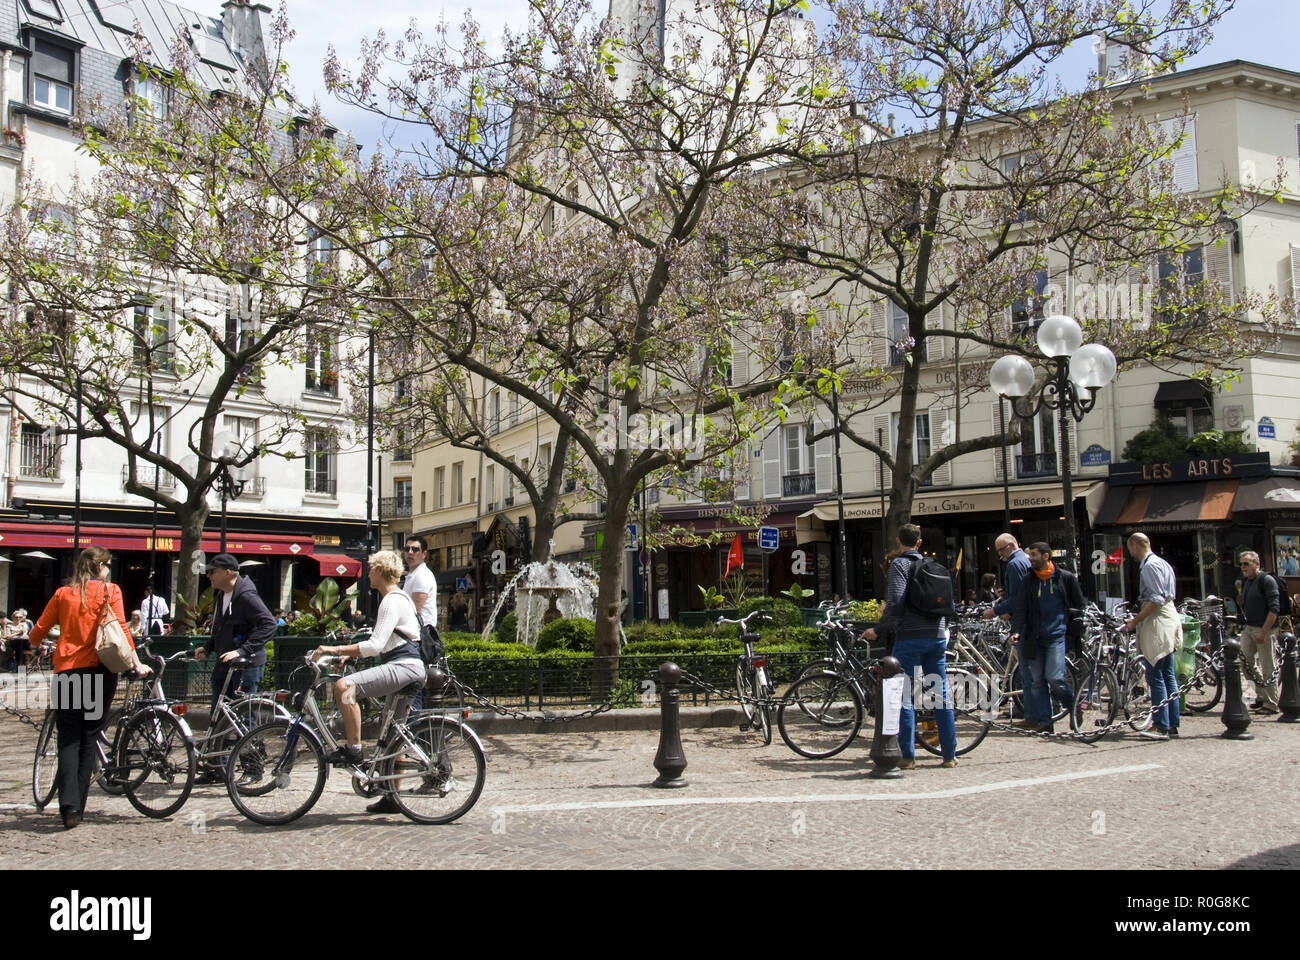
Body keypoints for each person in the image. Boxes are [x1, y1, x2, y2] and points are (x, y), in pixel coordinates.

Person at [26, 546, 152, 829]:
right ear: (101, 567)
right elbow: (121, 629)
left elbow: (38, 630)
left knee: (68, 738)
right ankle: (77, 808)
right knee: (89, 738)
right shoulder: (110, 591)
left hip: (68, 672)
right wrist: (135, 662)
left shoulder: (63, 594)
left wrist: (34, 644)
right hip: (100, 671)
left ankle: (68, 805)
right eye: (108, 565)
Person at [311, 550, 425, 814]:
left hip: (403, 666)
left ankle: (354, 749)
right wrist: (349, 656)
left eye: (371, 569)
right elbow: (384, 642)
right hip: (409, 667)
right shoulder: (401, 598)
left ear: (381, 572)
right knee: (395, 734)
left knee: (344, 687)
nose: (368, 574)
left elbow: (374, 647)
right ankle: (391, 797)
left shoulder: (391, 601)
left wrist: (334, 650)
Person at [860, 524, 958, 769]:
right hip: (936, 636)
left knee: (903, 695)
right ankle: (949, 755)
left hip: (910, 638)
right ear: (920, 543)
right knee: (940, 695)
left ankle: (908, 755)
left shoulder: (900, 566)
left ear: (897, 541)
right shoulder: (937, 567)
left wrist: (878, 629)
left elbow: (895, 603)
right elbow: (949, 605)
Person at [1008, 542, 1084, 734]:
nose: (1030, 558)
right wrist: (1015, 630)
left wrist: (1073, 627)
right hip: (1033, 636)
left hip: (1056, 636)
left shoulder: (1064, 578)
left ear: (1046, 556)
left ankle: (1073, 705)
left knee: (1055, 677)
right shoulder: (1029, 580)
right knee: (1036, 681)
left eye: (1033, 555)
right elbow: (1021, 607)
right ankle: (1045, 722)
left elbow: (1078, 604)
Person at [194, 553, 275, 715]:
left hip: (246, 665)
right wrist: (207, 647)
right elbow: (220, 627)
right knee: (217, 714)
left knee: (244, 714)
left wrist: (241, 651)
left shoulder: (246, 596)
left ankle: (247, 741)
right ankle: (218, 741)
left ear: (227, 572)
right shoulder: (220, 596)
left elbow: (269, 624)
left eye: (212, 571)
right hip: (224, 662)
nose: (208, 575)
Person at [1120, 532, 1182, 738]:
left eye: (1130, 548)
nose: (1130, 553)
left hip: (1158, 620)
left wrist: (1135, 621)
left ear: (1136, 545)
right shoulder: (1163, 563)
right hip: (1169, 616)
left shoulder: (1149, 566)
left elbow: (1155, 600)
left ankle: (1161, 724)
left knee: (1155, 674)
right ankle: (1172, 723)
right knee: (1167, 674)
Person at [1234, 550, 1280, 715]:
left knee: (1268, 666)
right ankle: (1260, 695)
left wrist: (1264, 631)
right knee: (1244, 661)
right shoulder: (1246, 582)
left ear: (1257, 564)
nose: (1243, 567)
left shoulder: (1267, 580)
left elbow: (1274, 608)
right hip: (1249, 627)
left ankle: (1272, 703)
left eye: (1246, 563)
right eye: (1241, 564)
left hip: (1265, 629)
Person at [983, 534, 1031, 623]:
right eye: (998, 551)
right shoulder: (1026, 558)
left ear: (1012, 545)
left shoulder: (1014, 564)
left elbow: (1018, 597)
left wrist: (993, 611)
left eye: (1001, 549)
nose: (999, 554)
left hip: (1024, 619)